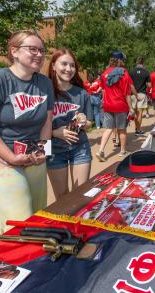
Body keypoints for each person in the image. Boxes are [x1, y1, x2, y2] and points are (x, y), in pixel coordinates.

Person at [0, 30, 54, 234]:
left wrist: (43, 150)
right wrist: (10, 157)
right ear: (14, 51)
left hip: (31, 153)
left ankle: (36, 261)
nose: (39, 54)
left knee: (38, 214)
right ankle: (12, 262)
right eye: (32, 49)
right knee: (19, 221)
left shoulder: (44, 83)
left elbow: (47, 120)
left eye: (42, 51)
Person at [47, 48, 93, 202]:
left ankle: (79, 226)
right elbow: (37, 125)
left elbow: (90, 123)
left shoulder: (82, 93)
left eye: (72, 65)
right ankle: (65, 226)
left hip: (80, 148)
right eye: (64, 64)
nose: (68, 69)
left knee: (80, 195)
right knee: (62, 198)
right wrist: (55, 133)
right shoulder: (44, 92)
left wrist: (83, 122)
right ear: (53, 66)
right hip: (53, 149)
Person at [95, 51, 135, 162]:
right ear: (120, 60)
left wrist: (105, 102)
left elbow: (103, 90)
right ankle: (122, 151)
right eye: (123, 60)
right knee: (122, 129)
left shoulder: (105, 73)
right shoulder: (124, 72)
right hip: (120, 105)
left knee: (108, 128)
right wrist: (131, 108)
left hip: (108, 105)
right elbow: (127, 92)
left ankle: (101, 151)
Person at [128, 56, 150, 136]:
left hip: (133, 94)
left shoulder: (131, 72)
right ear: (143, 63)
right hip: (142, 94)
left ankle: (136, 128)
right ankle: (138, 130)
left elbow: (129, 83)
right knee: (139, 113)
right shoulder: (146, 72)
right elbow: (149, 85)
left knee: (135, 112)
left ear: (136, 62)